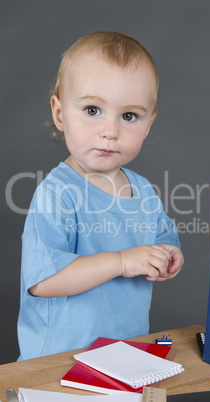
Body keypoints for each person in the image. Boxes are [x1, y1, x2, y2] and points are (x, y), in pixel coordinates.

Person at [17, 31, 184, 360]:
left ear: (148, 125)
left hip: (122, 356)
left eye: (129, 116)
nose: (110, 131)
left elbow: (164, 239)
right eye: (93, 110)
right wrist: (122, 262)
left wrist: (169, 257)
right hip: (59, 363)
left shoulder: (144, 192)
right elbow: (43, 281)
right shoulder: (58, 193)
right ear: (60, 113)